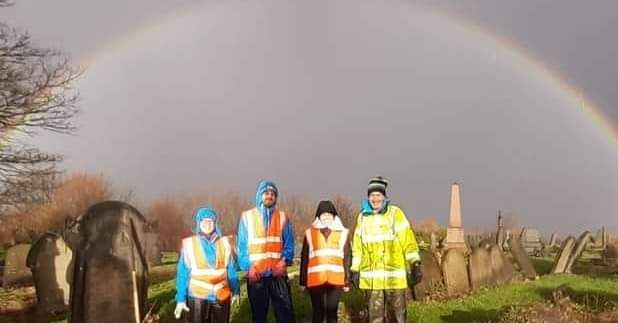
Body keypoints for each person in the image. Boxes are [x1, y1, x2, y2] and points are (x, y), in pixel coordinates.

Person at [350, 176, 422, 323]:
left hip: (394, 278)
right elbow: (358, 248)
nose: (375, 199)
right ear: (368, 197)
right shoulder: (362, 218)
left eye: (378, 195)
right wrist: (355, 269)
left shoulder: (395, 214)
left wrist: (415, 262)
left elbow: (408, 241)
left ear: (384, 196)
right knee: (374, 318)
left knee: (397, 317)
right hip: (372, 280)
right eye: (372, 195)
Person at [236, 180, 296, 323]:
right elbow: (241, 247)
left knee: (285, 314)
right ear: (259, 195)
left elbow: (289, 244)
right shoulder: (247, 217)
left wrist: (284, 262)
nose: (270, 196)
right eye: (266, 193)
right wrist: (248, 268)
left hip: (278, 274)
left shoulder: (283, 217)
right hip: (256, 275)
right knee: (259, 316)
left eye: (273, 194)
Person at [174, 208, 240, 322]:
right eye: (204, 221)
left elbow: (230, 269)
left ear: (215, 224)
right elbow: (182, 273)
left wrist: (236, 290)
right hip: (197, 297)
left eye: (210, 221)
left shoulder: (225, 243)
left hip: (221, 295)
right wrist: (181, 298)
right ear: (198, 223)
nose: (207, 224)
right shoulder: (189, 244)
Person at [299, 200, 351, 323]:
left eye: (329, 214)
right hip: (316, 280)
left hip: (336, 280)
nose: (326, 217)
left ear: (334, 216)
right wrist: (302, 281)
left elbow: (347, 257)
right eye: (323, 214)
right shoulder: (309, 233)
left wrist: (348, 280)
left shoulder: (343, 233)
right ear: (318, 216)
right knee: (318, 312)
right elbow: (305, 257)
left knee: (332, 313)